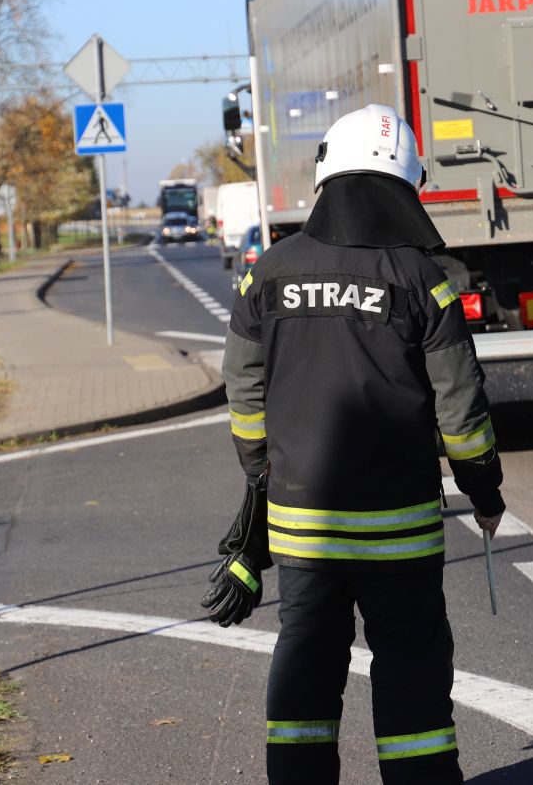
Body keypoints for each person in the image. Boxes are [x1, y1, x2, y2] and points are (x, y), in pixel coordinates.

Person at [201, 104, 506, 785]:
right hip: (401, 531)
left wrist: (263, 472)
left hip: (305, 525)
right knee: (411, 669)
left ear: (327, 174)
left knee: (307, 658)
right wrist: (484, 489)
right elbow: (461, 407)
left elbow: (242, 390)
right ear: (405, 183)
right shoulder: (424, 280)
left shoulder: (267, 273)